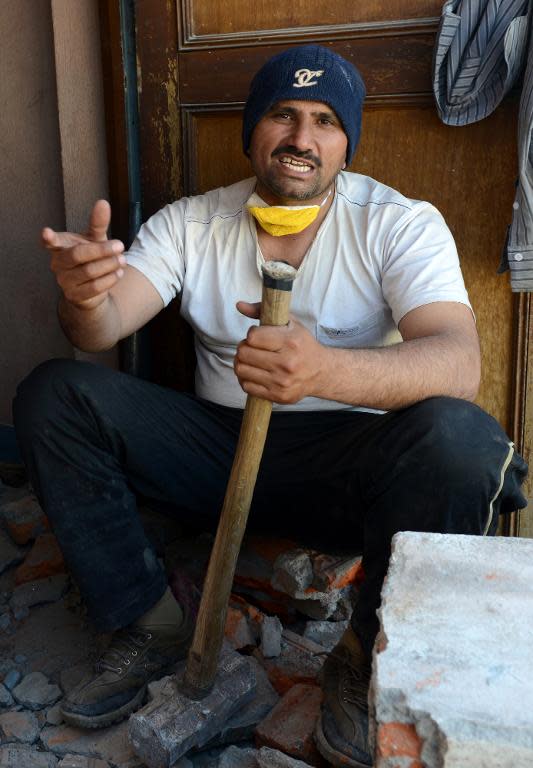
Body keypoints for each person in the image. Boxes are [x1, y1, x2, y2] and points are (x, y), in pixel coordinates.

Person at [13, 45, 527, 767]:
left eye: (323, 121)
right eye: (282, 115)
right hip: (215, 457)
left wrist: (324, 370)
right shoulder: (191, 223)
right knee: (54, 393)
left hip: (344, 464)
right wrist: (86, 297)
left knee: (463, 441)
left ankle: (362, 650)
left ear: (346, 142)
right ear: (252, 130)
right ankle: (149, 619)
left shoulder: (397, 222)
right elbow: (100, 330)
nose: (301, 138)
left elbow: (456, 359)